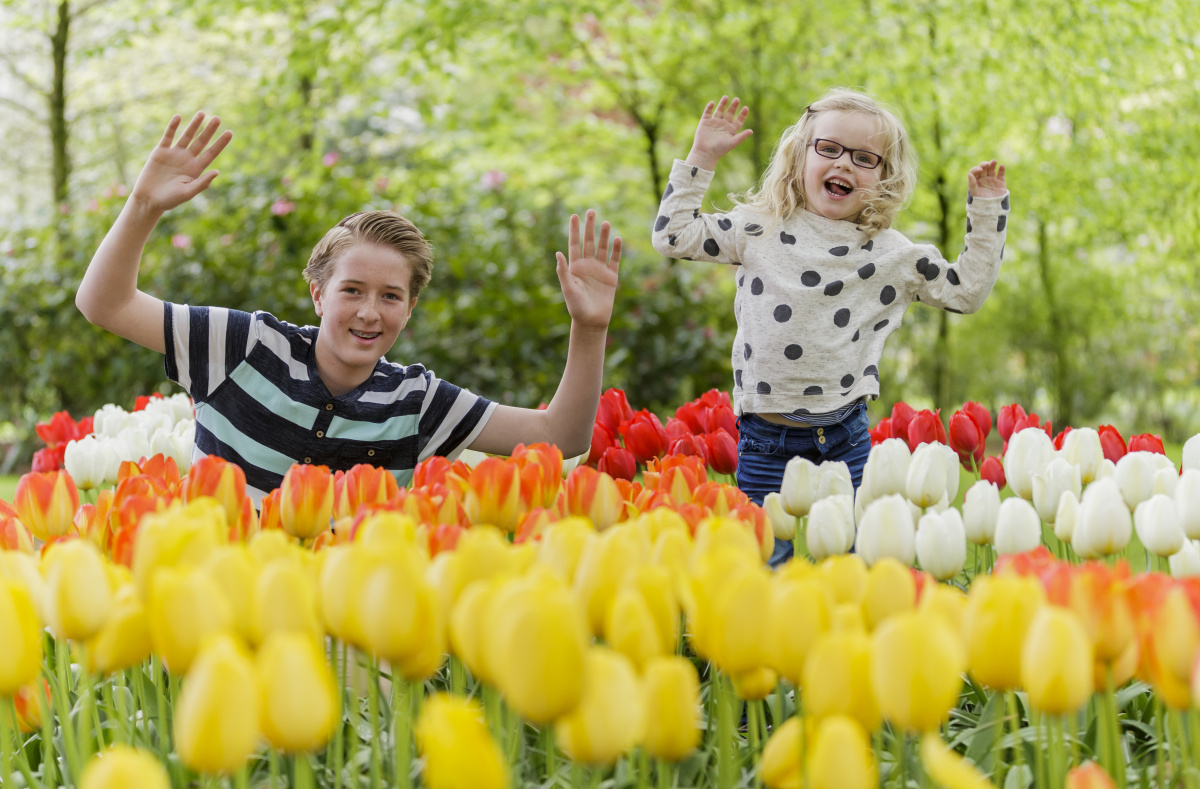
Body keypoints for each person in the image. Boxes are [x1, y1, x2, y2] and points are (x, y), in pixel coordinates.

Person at [77, 112, 622, 501]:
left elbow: (560, 437)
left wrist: (590, 326)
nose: (369, 312)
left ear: (409, 309)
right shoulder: (244, 347)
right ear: (318, 293)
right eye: (352, 290)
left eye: (391, 297)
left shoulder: (415, 402)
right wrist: (143, 205)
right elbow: (105, 305)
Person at [651, 89, 1009, 566]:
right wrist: (702, 157)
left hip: (846, 436)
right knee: (764, 564)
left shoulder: (892, 254)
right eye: (829, 148)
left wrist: (986, 211)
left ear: (885, 177)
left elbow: (965, 292)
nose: (844, 163)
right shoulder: (758, 229)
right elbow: (672, 236)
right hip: (766, 439)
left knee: (856, 563)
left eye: (864, 158)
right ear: (800, 155)